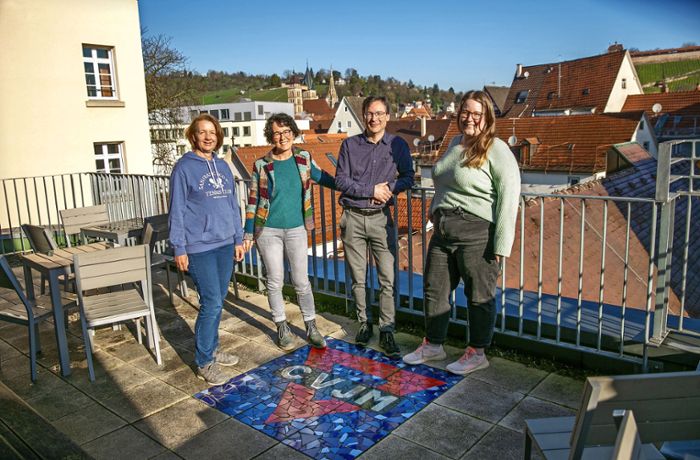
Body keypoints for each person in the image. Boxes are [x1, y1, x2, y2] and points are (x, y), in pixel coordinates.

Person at [403, 90, 521, 375]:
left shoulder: (497, 149)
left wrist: (501, 245)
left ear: (487, 118)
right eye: (465, 112)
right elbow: (444, 181)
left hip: (477, 232)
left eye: (476, 114)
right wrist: (434, 208)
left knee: (479, 295)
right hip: (444, 230)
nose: (469, 118)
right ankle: (433, 345)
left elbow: (509, 196)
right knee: (435, 289)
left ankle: (477, 352)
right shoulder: (456, 143)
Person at [243, 113, 335, 351]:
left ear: (294, 133)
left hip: (297, 228)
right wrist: (248, 233)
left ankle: (311, 326)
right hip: (268, 230)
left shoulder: (303, 158)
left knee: (301, 281)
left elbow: (321, 176)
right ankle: (281, 326)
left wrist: (350, 187)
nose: (282, 137)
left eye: (286, 132)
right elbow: (253, 200)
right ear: (270, 136)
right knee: (274, 280)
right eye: (277, 132)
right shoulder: (261, 165)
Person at [169, 113, 246, 385]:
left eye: (212, 132)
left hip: (226, 244)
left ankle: (211, 348)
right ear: (193, 135)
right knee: (211, 303)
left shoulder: (223, 166)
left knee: (217, 300)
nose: (208, 136)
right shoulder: (184, 168)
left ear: (218, 136)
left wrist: (238, 238)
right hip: (199, 247)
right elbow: (176, 211)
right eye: (202, 132)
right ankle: (204, 361)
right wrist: (179, 247)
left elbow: (233, 206)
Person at [335, 96, 414, 358]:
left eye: (379, 114)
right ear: (363, 115)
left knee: (387, 278)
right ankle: (364, 324)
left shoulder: (398, 145)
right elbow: (341, 181)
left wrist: (388, 190)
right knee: (358, 277)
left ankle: (387, 329)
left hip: (382, 219)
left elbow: (408, 178)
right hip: (353, 218)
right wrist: (371, 190)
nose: (374, 118)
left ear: (388, 117)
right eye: (369, 113)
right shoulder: (349, 145)